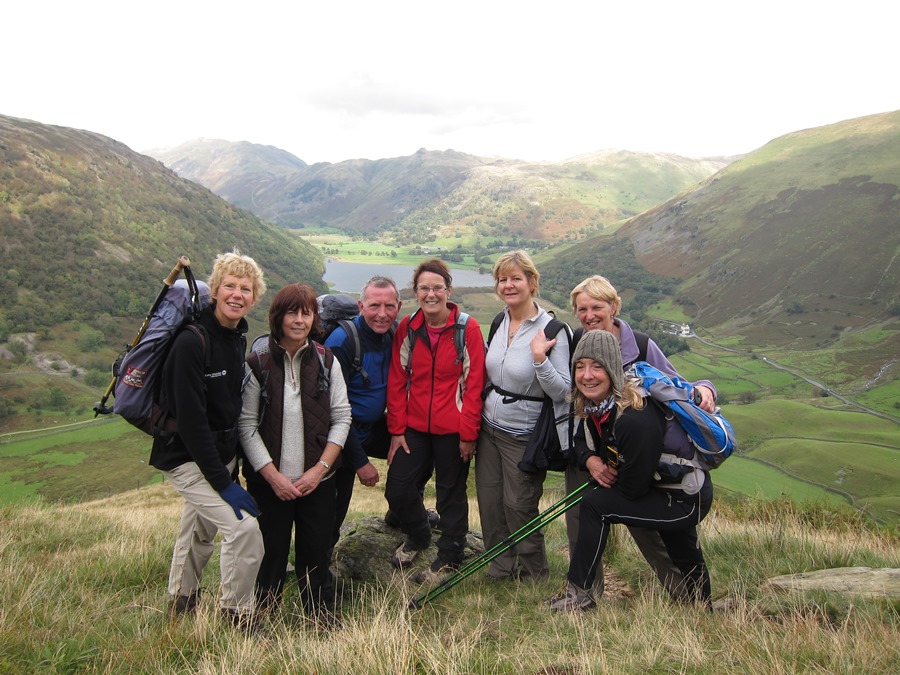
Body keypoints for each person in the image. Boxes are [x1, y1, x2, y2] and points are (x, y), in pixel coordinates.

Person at [565, 274, 717, 601]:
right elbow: (584, 423)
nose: (588, 375)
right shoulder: (584, 349)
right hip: (655, 474)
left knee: (666, 535)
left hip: (670, 478)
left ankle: (693, 604)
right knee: (680, 543)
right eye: (582, 308)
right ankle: (698, 606)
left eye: (597, 307)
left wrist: (705, 388)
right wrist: (590, 458)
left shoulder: (637, 392)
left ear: (613, 307)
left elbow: (680, 388)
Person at [151, 249, 266, 632]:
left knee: (199, 528)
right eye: (229, 286)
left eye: (245, 289)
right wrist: (222, 483)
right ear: (214, 291)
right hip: (185, 455)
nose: (237, 294)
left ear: (255, 297)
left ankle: (180, 604)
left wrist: (229, 467)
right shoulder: (191, 342)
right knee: (243, 528)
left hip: (218, 454)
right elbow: (191, 421)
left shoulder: (235, 337)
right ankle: (237, 615)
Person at [238, 283, 352, 627]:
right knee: (269, 552)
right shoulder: (258, 362)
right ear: (278, 317)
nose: (299, 320)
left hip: (316, 481)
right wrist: (272, 477)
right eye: (292, 312)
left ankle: (320, 617)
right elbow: (246, 426)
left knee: (315, 552)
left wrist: (319, 470)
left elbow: (342, 416)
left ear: (314, 317)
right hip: (269, 484)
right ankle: (263, 615)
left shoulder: (327, 360)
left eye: (306, 312)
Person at [385, 259, 486, 583]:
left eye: (437, 288)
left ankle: (450, 555)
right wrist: (397, 429)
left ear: (448, 290)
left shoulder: (466, 328)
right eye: (424, 288)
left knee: (450, 495)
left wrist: (468, 434)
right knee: (398, 489)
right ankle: (419, 533)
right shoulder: (408, 328)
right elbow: (398, 379)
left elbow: (474, 385)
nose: (431, 294)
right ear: (416, 292)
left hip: (452, 429)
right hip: (414, 427)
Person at [475, 250, 571, 581]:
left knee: (519, 506)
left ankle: (534, 574)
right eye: (502, 279)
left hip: (524, 435)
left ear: (532, 282)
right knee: (490, 502)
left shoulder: (553, 330)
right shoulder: (500, 321)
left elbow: (563, 392)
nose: (508, 285)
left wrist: (541, 361)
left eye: (516, 278)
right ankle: (500, 567)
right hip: (488, 430)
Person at [323, 276, 401, 553]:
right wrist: (360, 463)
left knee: (415, 452)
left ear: (399, 307)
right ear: (361, 306)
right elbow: (332, 411)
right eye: (374, 306)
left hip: (372, 426)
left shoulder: (395, 334)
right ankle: (318, 567)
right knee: (334, 504)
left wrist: (398, 433)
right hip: (339, 434)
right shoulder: (341, 341)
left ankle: (403, 513)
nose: (382, 314)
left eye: (389, 306)